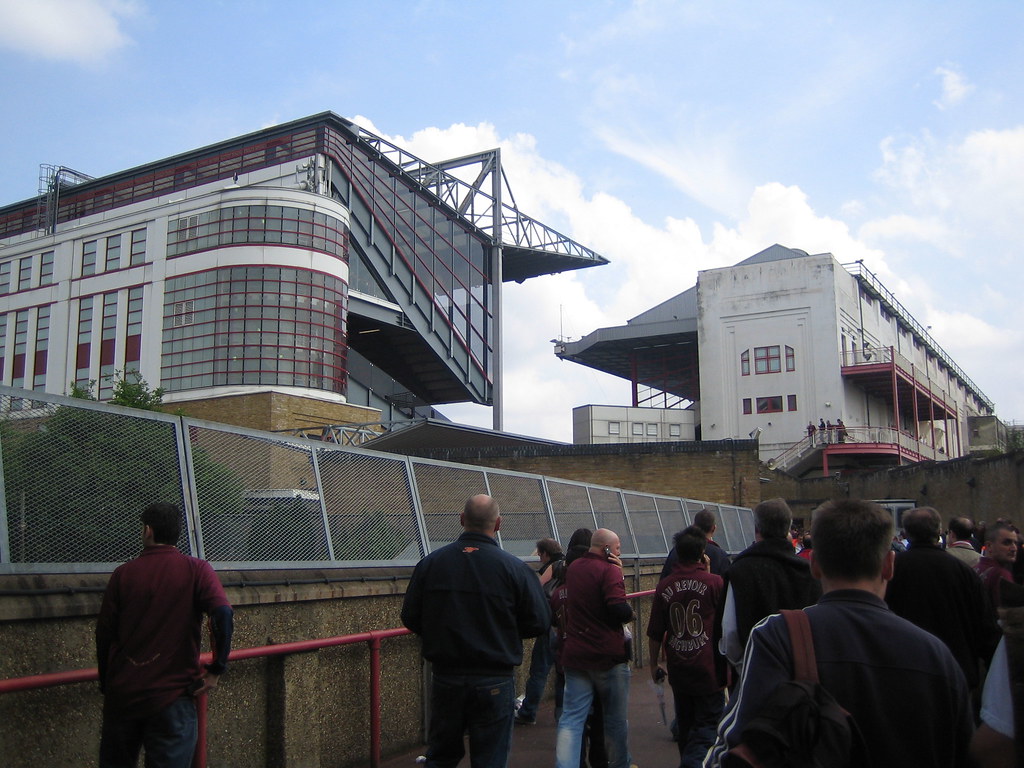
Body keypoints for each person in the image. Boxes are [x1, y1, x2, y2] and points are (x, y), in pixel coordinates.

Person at [706, 499, 974, 768]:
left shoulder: (776, 635)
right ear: (889, 565)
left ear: (815, 565)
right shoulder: (937, 656)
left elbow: (732, 747)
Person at [400, 494, 550, 768]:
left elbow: (410, 616)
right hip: (495, 677)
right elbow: (539, 621)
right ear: (498, 524)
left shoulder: (431, 564)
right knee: (490, 758)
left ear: (461, 519)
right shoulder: (515, 570)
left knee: (441, 757)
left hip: (446, 676)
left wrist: (440, 635)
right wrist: (503, 633)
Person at [96, 502, 234, 768]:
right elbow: (222, 614)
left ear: (148, 530)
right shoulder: (197, 570)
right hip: (173, 697)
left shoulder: (123, 574)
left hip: (123, 697)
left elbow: (104, 635)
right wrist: (217, 667)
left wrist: (107, 681)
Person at [884, 506, 999, 694]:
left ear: (906, 533)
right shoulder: (963, 572)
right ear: (939, 532)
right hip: (956, 669)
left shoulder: (892, 570)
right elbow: (984, 623)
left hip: (904, 670)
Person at [556, 528, 634, 768]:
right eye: (618, 547)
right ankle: (619, 764)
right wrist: (619, 575)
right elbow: (617, 609)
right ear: (607, 549)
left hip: (576, 654)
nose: (620, 551)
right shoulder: (610, 570)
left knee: (571, 718)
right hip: (607, 655)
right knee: (615, 720)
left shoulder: (574, 568)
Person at [647, 526, 724, 768]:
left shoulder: (665, 585)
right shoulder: (715, 583)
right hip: (708, 666)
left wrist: (653, 664)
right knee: (708, 728)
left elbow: (655, 631)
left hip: (679, 666)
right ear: (703, 552)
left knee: (686, 724)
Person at [717, 498, 820, 674]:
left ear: (757, 528)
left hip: (755, 674)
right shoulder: (810, 573)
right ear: (788, 528)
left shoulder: (739, 571)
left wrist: (743, 667)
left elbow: (730, 633)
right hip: (802, 677)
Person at [515, 537, 564, 725]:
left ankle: (528, 711)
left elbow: (536, 589)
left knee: (539, 671)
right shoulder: (570, 564)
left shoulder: (553, 566)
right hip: (568, 625)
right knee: (563, 672)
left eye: (540, 555)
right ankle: (563, 716)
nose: (539, 559)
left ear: (545, 553)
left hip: (551, 625)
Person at [660, 508, 730, 580]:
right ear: (714, 528)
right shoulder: (721, 556)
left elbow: (664, 580)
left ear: (694, 526)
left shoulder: (677, 550)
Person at [975, 520, 1018, 609]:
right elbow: (1007, 615)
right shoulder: (1001, 575)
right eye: (1007, 543)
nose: (1014, 548)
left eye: (1015, 543)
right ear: (989, 546)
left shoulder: (975, 568)